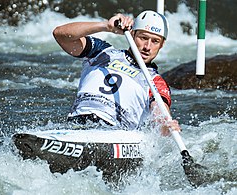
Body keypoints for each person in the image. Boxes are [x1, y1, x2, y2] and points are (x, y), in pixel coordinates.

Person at [53, 10, 181, 135]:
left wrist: (164, 125)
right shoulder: (101, 52)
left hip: (115, 134)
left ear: (162, 44)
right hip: (76, 124)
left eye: (155, 41)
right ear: (132, 34)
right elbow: (60, 34)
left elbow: (159, 112)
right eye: (143, 38)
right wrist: (105, 26)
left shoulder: (155, 81)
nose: (147, 47)